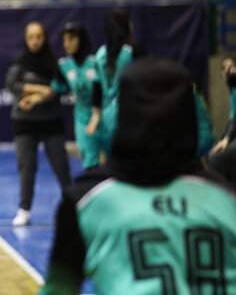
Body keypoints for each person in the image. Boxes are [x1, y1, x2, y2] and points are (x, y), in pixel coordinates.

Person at [39, 57, 236, 295]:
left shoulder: (85, 200)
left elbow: (58, 289)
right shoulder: (226, 198)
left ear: (125, 113)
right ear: (188, 114)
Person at [6, 22, 71, 226]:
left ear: (45, 38)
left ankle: (74, 207)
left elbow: (59, 87)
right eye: (31, 37)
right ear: (26, 39)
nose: (35, 41)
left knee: (61, 166)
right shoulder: (20, 61)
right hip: (24, 123)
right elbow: (12, 84)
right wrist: (38, 89)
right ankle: (24, 209)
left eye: (39, 37)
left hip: (51, 121)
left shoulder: (55, 62)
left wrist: (39, 96)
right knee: (27, 167)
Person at [86, 9, 145, 156]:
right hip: (131, 117)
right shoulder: (134, 49)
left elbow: (97, 88)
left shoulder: (99, 54)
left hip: (107, 120)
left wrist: (95, 116)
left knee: (114, 163)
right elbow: (147, 81)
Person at [50, 23, 101, 169]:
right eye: (64, 40)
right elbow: (55, 90)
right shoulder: (63, 65)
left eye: (71, 39)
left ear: (82, 39)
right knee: (89, 161)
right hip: (82, 117)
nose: (67, 44)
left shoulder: (97, 61)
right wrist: (34, 97)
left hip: (105, 116)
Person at [209, 56, 236, 185]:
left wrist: (227, 138)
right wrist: (224, 138)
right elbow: (232, 120)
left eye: (230, 68)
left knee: (215, 158)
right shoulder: (233, 90)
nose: (226, 71)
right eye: (223, 68)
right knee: (216, 150)